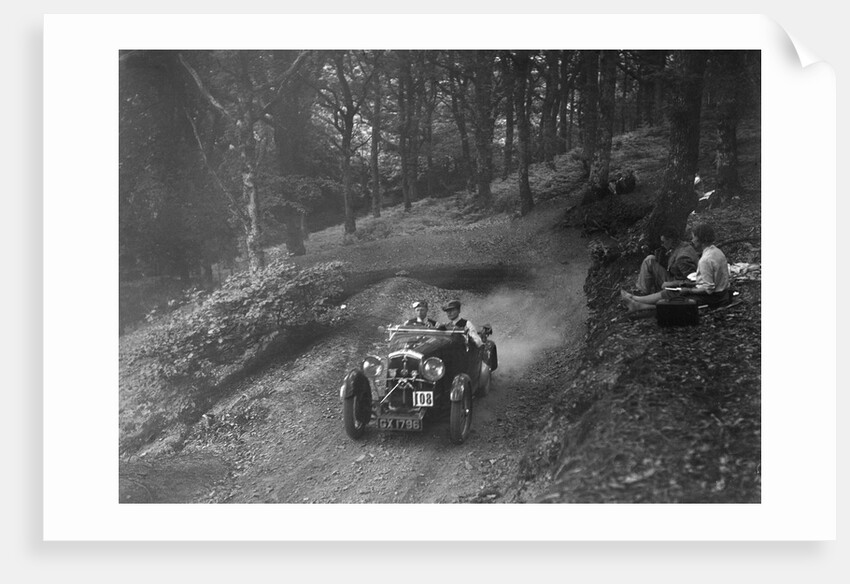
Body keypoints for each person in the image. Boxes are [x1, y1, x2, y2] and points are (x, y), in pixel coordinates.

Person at [621, 223, 731, 313]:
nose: (692, 241)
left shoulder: (704, 260)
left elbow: (708, 289)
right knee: (674, 292)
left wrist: (686, 289)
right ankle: (637, 303)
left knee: (675, 295)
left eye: (694, 238)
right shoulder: (716, 251)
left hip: (713, 297)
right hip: (721, 294)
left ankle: (636, 300)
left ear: (700, 239)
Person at [635, 225, 699, 293]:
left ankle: (642, 292)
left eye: (663, 242)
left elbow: (693, 280)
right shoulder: (683, 246)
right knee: (651, 259)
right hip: (676, 278)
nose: (662, 245)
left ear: (670, 240)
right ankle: (643, 290)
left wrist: (671, 284)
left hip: (677, 285)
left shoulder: (682, 257)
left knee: (649, 260)